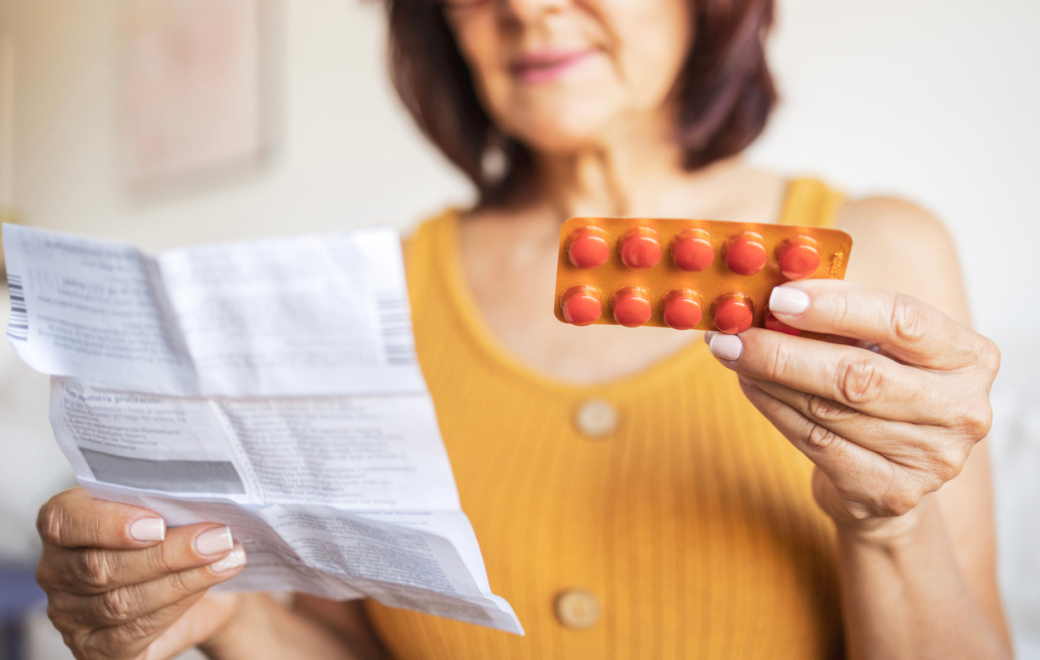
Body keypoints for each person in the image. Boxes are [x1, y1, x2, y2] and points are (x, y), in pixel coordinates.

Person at [32, 0, 1011, 658]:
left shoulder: (879, 251)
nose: (523, 5)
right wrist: (219, 609)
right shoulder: (377, 292)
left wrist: (890, 524)